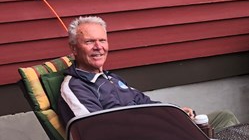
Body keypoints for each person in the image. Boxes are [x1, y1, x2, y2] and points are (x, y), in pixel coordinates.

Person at [58, 15, 239, 132]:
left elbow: (143, 101)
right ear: (74, 49)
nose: (99, 47)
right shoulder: (75, 87)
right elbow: (96, 131)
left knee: (224, 117)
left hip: (159, 127)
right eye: (90, 42)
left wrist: (174, 112)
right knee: (219, 130)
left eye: (102, 40)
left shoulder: (111, 78)